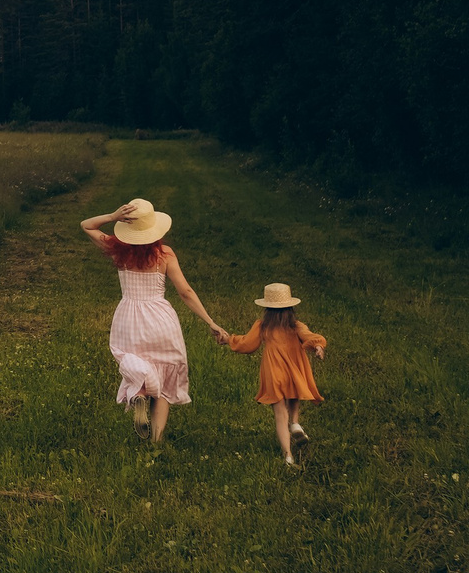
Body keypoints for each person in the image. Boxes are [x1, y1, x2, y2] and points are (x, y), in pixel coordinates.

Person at [78, 197, 225, 443]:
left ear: (128, 227)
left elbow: (86, 225)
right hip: (160, 320)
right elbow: (185, 292)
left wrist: (113, 216)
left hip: (128, 318)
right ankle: (155, 441)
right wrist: (210, 321)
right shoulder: (165, 254)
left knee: (136, 361)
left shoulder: (117, 250)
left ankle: (139, 393)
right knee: (166, 381)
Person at [219, 282, 330, 467]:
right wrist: (318, 345)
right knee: (294, 396)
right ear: (291, 307)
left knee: (280, 414)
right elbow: (308, 334)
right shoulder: (295, 325)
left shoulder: (262, 326)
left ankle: (288, 456)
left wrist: (229, 339)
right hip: (294, 369)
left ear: (267, 308)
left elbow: (247, 344)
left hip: (273, 370)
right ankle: (295, 424)